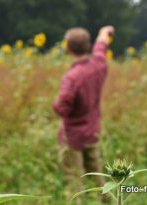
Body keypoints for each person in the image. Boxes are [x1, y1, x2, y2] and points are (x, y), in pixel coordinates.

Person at [53, 26, 114, 203]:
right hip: (92, 130)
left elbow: (61, 108)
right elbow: (102, 45)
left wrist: (55, 103)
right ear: (88, 46)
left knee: (74, 180)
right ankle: (108, 202)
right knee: (97, 175)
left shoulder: (71, 77)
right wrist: (105, 31)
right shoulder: (99, 64)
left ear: (68, 48)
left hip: (72, 136)